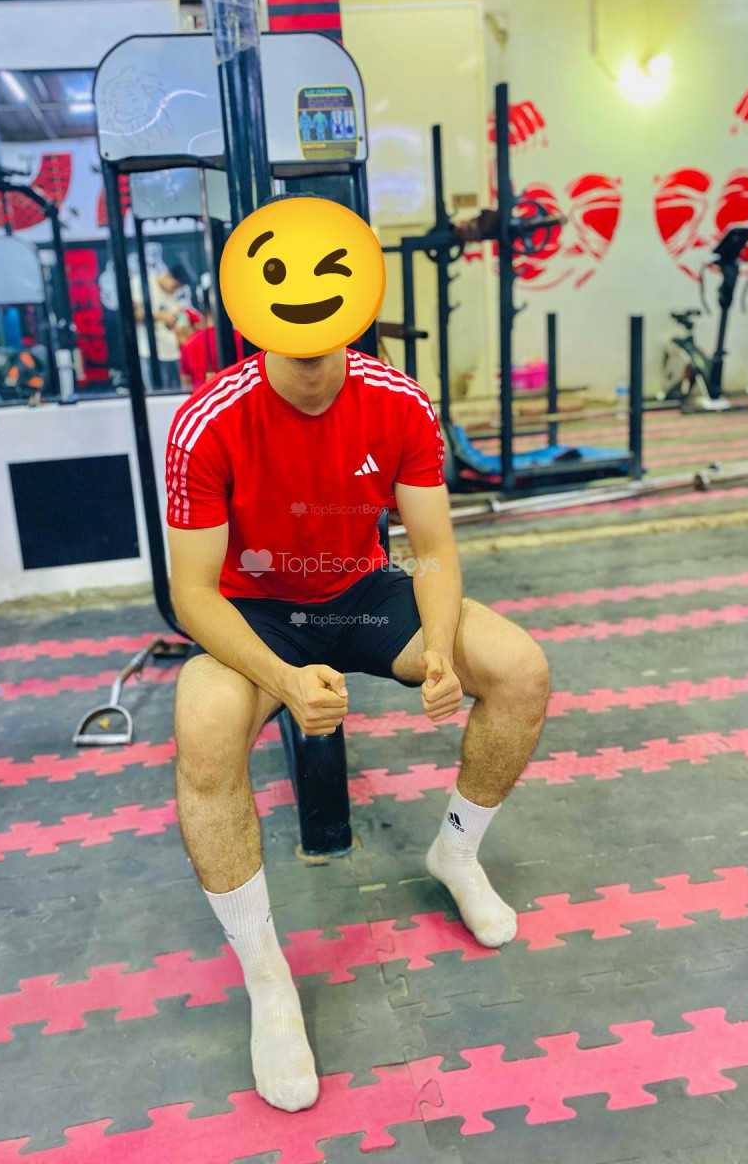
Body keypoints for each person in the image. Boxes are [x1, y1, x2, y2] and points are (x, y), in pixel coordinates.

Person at [165, 193, 550, 1114]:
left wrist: (443, 651)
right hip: (257, 609)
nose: (309, 356)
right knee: (204, 725)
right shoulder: (206, 422)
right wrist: (283, 679)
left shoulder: (398, 401)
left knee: (519, 670)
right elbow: (192, 594)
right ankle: (267, 977)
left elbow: (434, 549)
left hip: (360, 591)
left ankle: (457, 853)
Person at [130, 262, 191, 390]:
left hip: (172, 353)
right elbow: (132, 314)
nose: (175, 290)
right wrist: (161, 316)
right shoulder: (142, 284)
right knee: (156, 394)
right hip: (150, 353)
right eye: (175, 286)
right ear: (167, 275)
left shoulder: (172, 295)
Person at [179, 307, 244, 393]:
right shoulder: (240, 337)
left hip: (203, 397)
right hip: (236, 394)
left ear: (204, 318)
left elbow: (185, 383)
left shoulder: (188, 344)